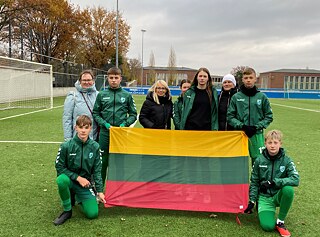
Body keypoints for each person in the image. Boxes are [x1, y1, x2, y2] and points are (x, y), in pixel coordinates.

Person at [244, 130, 299, 237]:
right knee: (267, 227)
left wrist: (274, 182)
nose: (272, 146)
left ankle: (280, 222)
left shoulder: (286, 160)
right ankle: (264, 210)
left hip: (278, 195)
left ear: (280, 144)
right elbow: (254, 182)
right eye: (270, 143)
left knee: (288, 190)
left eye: (275, 143)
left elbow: (295, 179)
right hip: (265, 198)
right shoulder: (259, 160)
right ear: (265, 143)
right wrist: (252, 200)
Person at [54, 115, 105, 226]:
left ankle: (78, 196)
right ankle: (67, 211)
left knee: (92, 214)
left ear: (90, 128)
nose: (83, 130)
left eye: (86, 127)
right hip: (71, 180)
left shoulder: (95, 147)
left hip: (85, 184)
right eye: (80, 127)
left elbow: (97, 171)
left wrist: (100, 191)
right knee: (61, 180)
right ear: (75, 128)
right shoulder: (66, 146)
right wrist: (77, 178)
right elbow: (59, 167)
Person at [93, 67, 137, 185]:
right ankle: (99, 191)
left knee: (119, 164)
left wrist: (125, 124)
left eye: (116, 78)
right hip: (105, 134)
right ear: (107, 78)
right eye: (111, 78)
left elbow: (133, 114)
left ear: (120, 79)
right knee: (103, 163)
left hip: (120, 134)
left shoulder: (127, 95)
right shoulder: (101, 94)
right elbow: (95, 113)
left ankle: (118, 191)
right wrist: (104, 124)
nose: (113, 80)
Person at [227, 67, 273, 165]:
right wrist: (242, 126)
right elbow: (230, 117)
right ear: (242, 79)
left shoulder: (262, 97)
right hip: (240, 134)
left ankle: (256, 181)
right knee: (238, 162)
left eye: (251, 77)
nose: (248, 80)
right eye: (246, 78)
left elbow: (269, 116)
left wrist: (256, 127)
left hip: (256, 134)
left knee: (258, 162)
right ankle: (239, 181)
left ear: (255, 79)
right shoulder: (236, 97)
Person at [62, 70, 99, 141]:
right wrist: (68, 139)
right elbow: (67, 118)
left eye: (89, 80)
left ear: (93, 81)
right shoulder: (73, 96)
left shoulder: (98, 95)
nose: (86, 82)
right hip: (77, 137)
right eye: (84, 80)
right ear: (80, 81)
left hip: (95, 137)